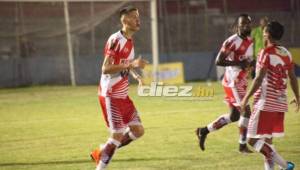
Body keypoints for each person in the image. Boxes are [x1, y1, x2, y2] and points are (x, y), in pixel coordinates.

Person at [90, 6, 148, 170]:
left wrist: (135, 75)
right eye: (134, 17)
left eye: (138, 16)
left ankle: (102, 150)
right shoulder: (116, 40)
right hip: (111, 93)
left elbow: (123, 64)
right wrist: (132, 63)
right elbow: (105, 68)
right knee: (117, 135)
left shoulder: (129, 40)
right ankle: (100, 167)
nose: (138, 20)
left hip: (122, 94)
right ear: (125, 20)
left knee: (138, 131)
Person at [241, 21, 298, 170]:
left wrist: (246, 98)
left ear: (267, 34)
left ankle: (286, 166)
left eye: (264, 31)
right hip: (280, 104)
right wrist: (298, 98)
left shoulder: (265, 52)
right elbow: (292, 78)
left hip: (265, 103)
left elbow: (259, 79)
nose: (262, 33)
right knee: (267, 142)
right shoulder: (286, 53)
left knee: (252, 140)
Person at [195, 14, 254, 153]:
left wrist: (250, 65)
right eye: (244, 23)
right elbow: (219, 61)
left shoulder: (250, 41)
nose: (247, 26)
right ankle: (242, 145)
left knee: (234, 116)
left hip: (241, 80)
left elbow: (247, 60)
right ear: (238, 26)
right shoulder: (231, 41)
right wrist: (240, 63)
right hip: (233, 82)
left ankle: (203, 131)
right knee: (247, 112)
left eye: (249, 23)